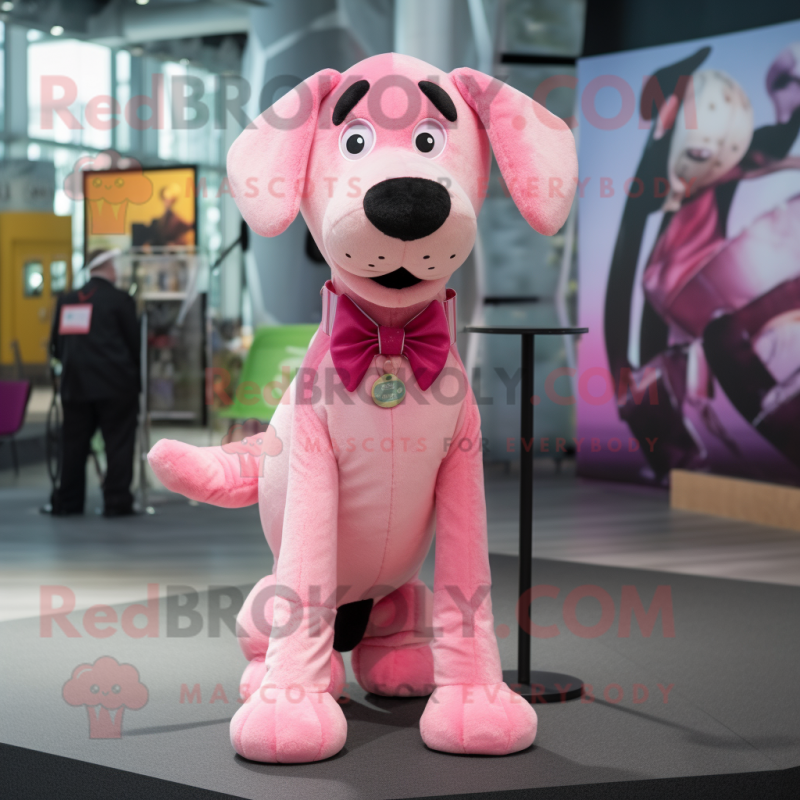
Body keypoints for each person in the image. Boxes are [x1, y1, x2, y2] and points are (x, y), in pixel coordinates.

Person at [44, 249, 141, 516]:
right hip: (117, 387)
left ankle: (69, 503)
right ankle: (117, 502)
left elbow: (55, 346)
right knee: (118, 444)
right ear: (109, 267)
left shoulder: (68, 300)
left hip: (76, 386)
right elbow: (135, 346)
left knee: (73, 446)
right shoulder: (121, 301)